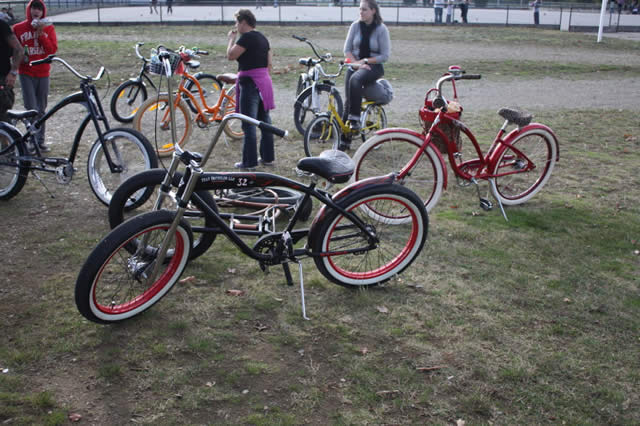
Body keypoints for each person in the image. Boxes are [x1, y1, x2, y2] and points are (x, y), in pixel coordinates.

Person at [226, 9, 275, 170]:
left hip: (249, 82)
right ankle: (268, 157)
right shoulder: (263, 38)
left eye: (237, 23)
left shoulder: (246, 38)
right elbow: (269, 63)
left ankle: (249, 162)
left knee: (248, 123)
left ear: (244, 22)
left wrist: (231, 40)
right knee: (264, 120)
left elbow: (231, 55)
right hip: (264, 82)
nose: (236, 26)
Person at [342, 0, 390, 149]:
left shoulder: (381, 29)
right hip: (355, 65)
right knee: (348, 102)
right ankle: (344, 141)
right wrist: (356, 63)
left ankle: (355, 119)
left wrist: (365, 61)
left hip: (373, 67)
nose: (361, 12)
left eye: (364, 9)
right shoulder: (355, 26)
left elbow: (384, 55)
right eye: (360, 9)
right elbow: (347, 50)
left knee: (356, 80)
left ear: (373, 11)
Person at [13, 0, 57, 152]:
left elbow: (52, 50)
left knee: (41, 108)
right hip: (26, 72)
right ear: (29, 10)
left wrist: (42, 35)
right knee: (30, 108)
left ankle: (41, 140)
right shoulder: (18, 28)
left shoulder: (48, 28)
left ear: (43, 11)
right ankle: (32, 141)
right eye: (33, 8)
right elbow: (14, 50)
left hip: (43, 72)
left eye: (39, 8)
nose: (36, 11)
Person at [1, 17, 24, 123]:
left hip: (2, 78)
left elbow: (19, 49)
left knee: (2, 121)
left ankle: (8, 139)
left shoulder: (2, 26)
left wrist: (13, 72)